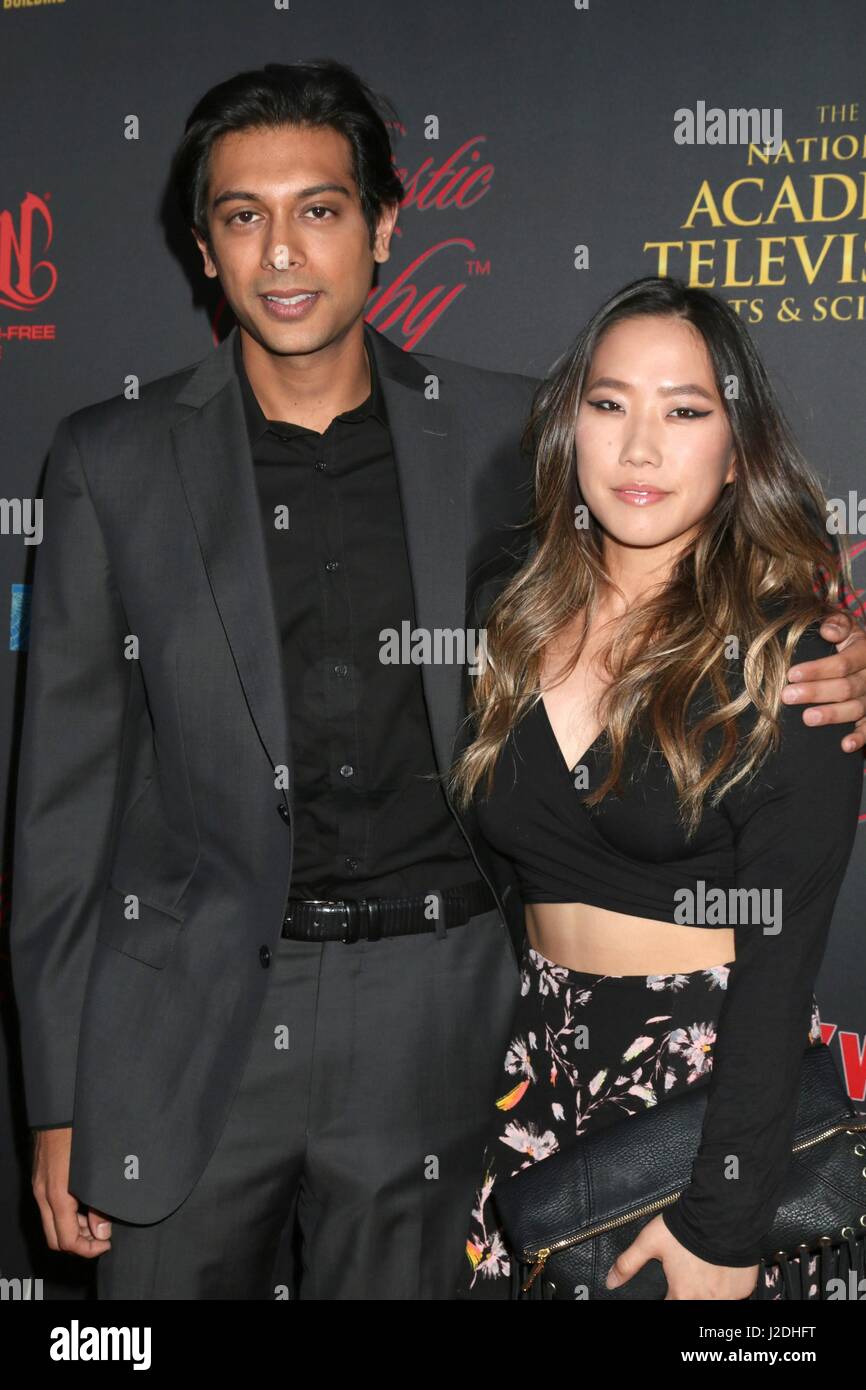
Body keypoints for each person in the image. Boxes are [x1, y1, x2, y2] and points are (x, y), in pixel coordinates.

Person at [11, 63, 866, 1300]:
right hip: (188, 1025)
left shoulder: (509, 438)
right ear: (204, 248)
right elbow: (59, 814)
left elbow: (687, 559)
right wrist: (56, 1096)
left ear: (383, 228)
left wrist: (837, 651)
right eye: (243, 217)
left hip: (445, 1017)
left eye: (319, 208)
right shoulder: (110, 460)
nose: (284, 250)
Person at [448, 276, 865, 1300]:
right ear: (568, 428)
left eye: (683, 411)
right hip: (529, 1079)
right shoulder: (502, 605)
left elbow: (780, 966)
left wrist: (721, 1225)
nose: (639, 448)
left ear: (735, 451)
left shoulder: (792, 657)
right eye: (608, 404)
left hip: (704, 1097)